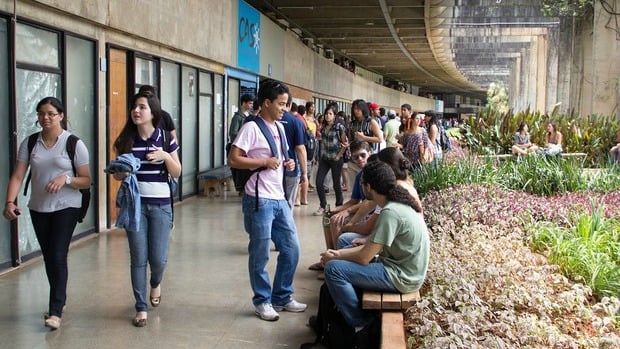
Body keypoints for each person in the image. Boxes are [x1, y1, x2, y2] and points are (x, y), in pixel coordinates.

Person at [3, 97, 91, 330]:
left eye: (51, 113)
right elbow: (18, 175)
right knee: (49, 256)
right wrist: (9, 202)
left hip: (67, 206)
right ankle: (59, 300)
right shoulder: (31, 143)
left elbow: (86, 180)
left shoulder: (73, 143)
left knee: (58, 254)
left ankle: (55, 311)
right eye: (42, 113)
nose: (46, 118)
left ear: (61, 115)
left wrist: (66, 179)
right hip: (39, 208)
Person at [320, 160, 430, 341]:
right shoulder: (396, 203)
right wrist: (338, 254)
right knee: (343, 253)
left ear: (368, 187)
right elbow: (370, 247)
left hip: (402, 276)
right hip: (401, 268)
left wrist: (336, 255)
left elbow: (364, 257)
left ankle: (360, 323)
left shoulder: (391, 212)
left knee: (333, 269)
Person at [228, 79, 306, 322]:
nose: (284, 108)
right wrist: (263, 162)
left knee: (291, 249)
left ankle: (282, 295)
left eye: (286, 104)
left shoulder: (281, 128)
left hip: (279, 199)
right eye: (281, 104)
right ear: (266, 103)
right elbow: (234, 158)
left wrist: (287, 163)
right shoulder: (251, 127)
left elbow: (277, 158)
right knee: (260, 253)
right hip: (259, 199)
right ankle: (262, 300)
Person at [111, 91, 182, 327]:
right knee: (138, 258)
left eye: (142, 107)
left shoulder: (165, 138)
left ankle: (155, 282)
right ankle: (140, 307)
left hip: (161, 206)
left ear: (153, 112)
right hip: (135, 206)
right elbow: (117, 175)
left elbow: (177, 172)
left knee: (158, 259)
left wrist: (165, 156)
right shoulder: (126, 142)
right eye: (134, 107)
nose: (136, 111)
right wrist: (125, 169)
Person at [313, 104, 348, 216]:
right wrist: (319, 156)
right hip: (325, 158)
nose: (328, 116)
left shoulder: (339, 127)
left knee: (336, 184)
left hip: (336, 160)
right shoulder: (323, 127)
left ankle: (339, 206)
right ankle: (323, 206)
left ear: (334, 115)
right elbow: (322, 143)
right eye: (326, 113)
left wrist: (338, 156)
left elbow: (345, 144)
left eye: (330, 114)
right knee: (319, 182)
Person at [281, 96, 307, 208]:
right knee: (287, 205)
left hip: (270, 171)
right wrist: (304, 173)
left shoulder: (267, 121)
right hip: (290, 169)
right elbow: (300, 149)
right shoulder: (296, 122)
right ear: (290, 104)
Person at [228, 94, 255, 193]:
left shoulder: (248, 115)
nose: (251, 105)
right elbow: (233, 133)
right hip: (240, 148)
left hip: (247, 149)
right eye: (250, 103)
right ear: (243, 103)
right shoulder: (238, 117)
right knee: (241, 171)